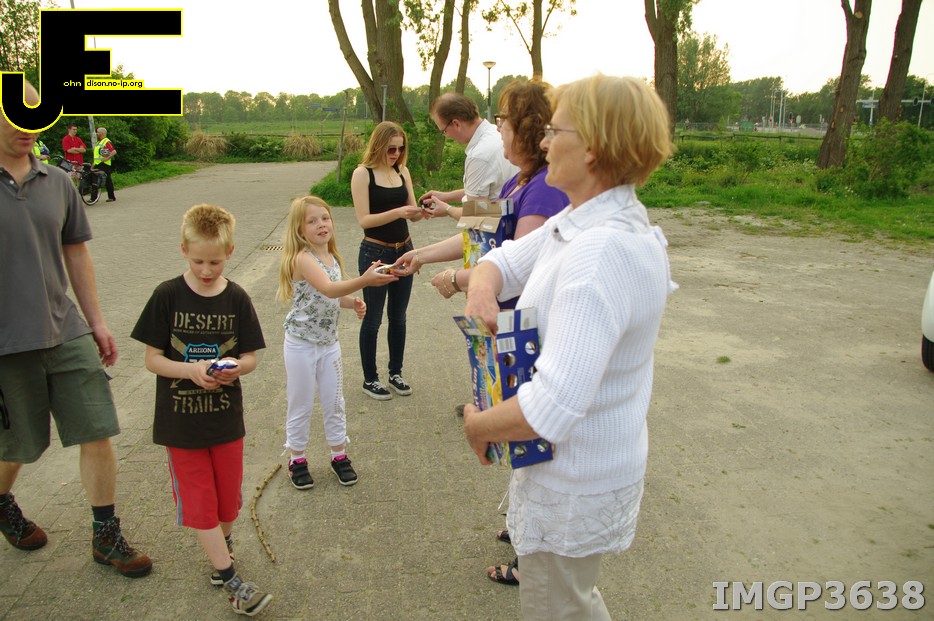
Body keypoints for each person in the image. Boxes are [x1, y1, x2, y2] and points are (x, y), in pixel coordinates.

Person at [461, 74, 677, 620]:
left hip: (573, 483)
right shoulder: (586, 221)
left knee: (558, 608)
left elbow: (552, 406)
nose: (543, 141)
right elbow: (506, 260)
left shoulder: (600, 252)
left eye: (556, 132)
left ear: (595, 147)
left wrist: (479, 426)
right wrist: (482, 288)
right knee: (574, 602)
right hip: (579, 473)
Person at [398, 79, 569, 587]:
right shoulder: (518, 184)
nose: (499, 127)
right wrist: (423, 255)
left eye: (506, 120)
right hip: (504, 322)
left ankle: (530, 556)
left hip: (523, 329)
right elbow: (479, 231)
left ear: (529, 129)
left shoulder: (542, 189)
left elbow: (520, 266)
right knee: (521, 449)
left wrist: (457, 279)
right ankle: (520, 525)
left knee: (530, 444)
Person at [0, 82, 152, 578]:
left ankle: (105, 535)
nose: (28, 126)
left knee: (97, 428)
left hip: (65, 329)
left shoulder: (58, 181)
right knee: (19, 446)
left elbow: (76, 253)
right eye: (15, 115)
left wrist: (98, 322)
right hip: (6, 344)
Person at [130, 204, 271, 616]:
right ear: (183, 250)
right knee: (200, 502)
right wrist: (191, 370)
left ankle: (221, 547)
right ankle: (233, 581)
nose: (206, 270)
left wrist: (236, 369)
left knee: (228, 503)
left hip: (225, 420)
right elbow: (152, 360)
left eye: (215, 262)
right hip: (181, 425)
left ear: (230, 252)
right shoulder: (166, 295)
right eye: (198, 262)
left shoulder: (237, 297)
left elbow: (250, 358)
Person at [277, 196, 398, 490]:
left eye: (325, 218)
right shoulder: (303, 258)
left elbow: (332, 295)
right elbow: (329, 288)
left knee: (334, 402)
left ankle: (339, 455)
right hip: (301, 345)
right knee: (301, 402)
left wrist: (352, 302)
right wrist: (364, 281)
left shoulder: (331, 255)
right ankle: (297, 458)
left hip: (329, 344)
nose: (321, 224)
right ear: (299, 230)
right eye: (312, 221)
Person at [350, 121, 423, 400]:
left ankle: (396, 373)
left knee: (398, 316)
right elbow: (364, 220)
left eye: (400, 149)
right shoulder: (363, 173)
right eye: (391, 149)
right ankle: (370, 379)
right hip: (376, 253)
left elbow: (412, 212)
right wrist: (398, 212)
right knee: (373, 318)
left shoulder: (402, 171)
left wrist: (422, 210)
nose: (395, 154)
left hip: (404, 249)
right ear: (378, 145)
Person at [418, 92, 518, 220]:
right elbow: (488, 190)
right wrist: (446, 197)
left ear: (456, 124)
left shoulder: (479, 156)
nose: (447, 136)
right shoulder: (496, 132)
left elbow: (475, 216)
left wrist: (447, 209)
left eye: (444, 131)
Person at [93, 126, 116, 202]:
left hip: (104, 164)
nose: (97, 134)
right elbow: (97, 156)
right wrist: (93, 164)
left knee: (96, 178)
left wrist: (106, 158)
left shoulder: (106, 141)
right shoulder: (99, 142)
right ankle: (111, 196)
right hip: (98, 163)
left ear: (101, 133)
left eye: (98, 132)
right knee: (107, 180)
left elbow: (113, 151)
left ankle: (94, 198)